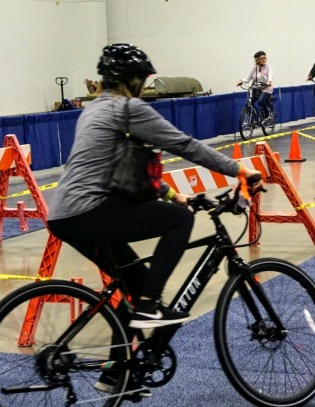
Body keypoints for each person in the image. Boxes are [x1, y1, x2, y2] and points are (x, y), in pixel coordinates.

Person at [47, 43, 261, 330]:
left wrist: (174, 195)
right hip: (90, 209)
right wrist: (239, 170)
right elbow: (184, 144)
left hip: (66, 214)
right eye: (143, 79)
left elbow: (126, 168)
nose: (145, 85)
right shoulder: (128, 109)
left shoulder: (94, 109)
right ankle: (149, 307)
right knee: (179, 221)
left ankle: (116, 372)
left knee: (134, 285)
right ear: (132, 79)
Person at [237, 50, 274, 124]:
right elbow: (248, 78)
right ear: (257, 60)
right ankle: (252, 119)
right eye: (261, 58)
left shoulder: (268, 66)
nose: (264, 60)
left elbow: (270, 75)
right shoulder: (254, 68)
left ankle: (267, 115)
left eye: (265, 58)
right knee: (249, 103)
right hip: (257, 88)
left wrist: (269, 81)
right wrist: (241, 81)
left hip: (266, 88)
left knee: (261, 101)